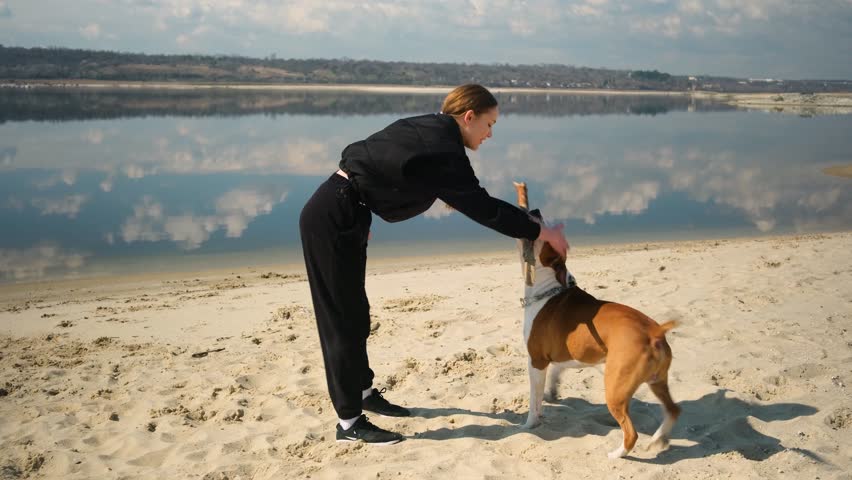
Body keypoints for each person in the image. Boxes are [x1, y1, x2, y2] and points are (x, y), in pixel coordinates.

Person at [299, 84, 568, 445]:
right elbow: (483, 207)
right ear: (468, 117)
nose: (490, 134)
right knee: (340, 322)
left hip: (346, 214)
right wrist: (541, 231)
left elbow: (368, 158)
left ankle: (363, 393)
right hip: (333, 216)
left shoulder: (431, 132)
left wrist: (360, 214)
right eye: (489, 124)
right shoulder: (441, 146)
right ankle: (349, 424)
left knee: (356, 314)